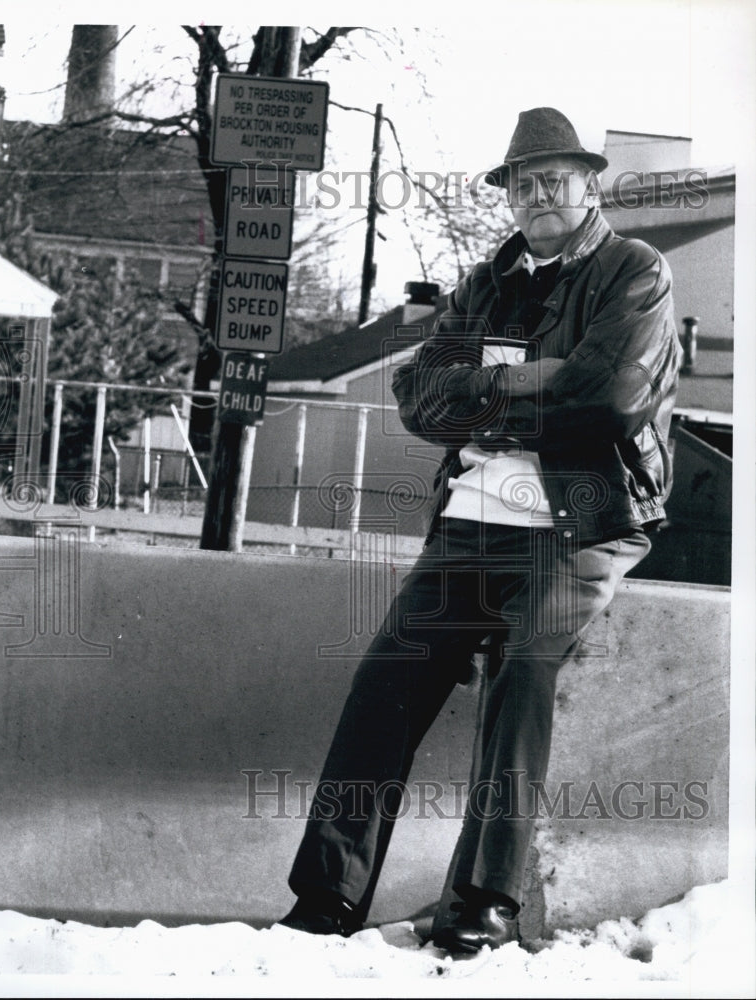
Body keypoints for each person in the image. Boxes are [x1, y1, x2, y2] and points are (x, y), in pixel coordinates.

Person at [277, 107, 682, 954]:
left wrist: (487, 402)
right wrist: (533, 381)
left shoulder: (632, 271)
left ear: (588, 181)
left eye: (555, 178)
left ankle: (481, 903)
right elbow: (418, 398)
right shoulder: (485, 283)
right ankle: (326, 900)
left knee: (525, 670)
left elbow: (607, 399)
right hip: (471, 516)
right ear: (507, 196)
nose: (538, 194)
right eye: (522, 183)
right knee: (384, 680)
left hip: (582, 515)